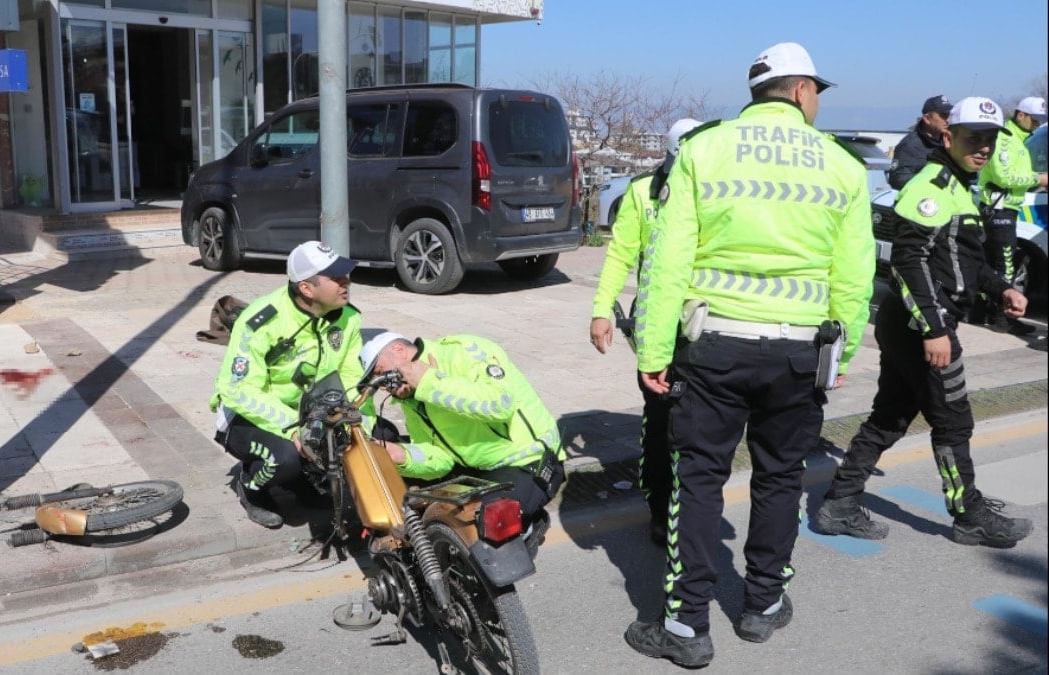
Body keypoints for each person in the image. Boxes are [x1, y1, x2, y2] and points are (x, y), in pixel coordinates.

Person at [623, 42, 875, 668]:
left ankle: (686, 628)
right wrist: (838, 356)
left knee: (699, 478)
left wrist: (654, 348)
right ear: (798, 91)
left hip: (713, 348)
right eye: (817, 90)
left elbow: (667, 263)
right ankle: (762, 606)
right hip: (798, 351)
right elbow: (854, 278)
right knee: (781, 476)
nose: (817, 101)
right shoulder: (842, 165)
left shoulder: (703, 150)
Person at [814, 97, 1034, 549]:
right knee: (953, 422)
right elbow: (908, 262)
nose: (984, 148)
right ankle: (967, 513)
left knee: (891, 417)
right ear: (948, 137)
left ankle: (839, 503)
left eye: (990, 139)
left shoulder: (960, 184)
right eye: (974, 138)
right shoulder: (930, 187)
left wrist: (1002, 289)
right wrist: (935, 329)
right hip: (921, 324)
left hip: (920, 321)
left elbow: (966, 263)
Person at [589, 117, 702, 545]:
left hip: (707, 322)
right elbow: (620, 254)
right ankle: (660, 506)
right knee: (660, 419)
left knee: (700, 421)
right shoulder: (643, 192)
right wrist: (602, 310)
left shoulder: (717, 188)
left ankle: (692, 503)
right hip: (656, 322)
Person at [210, 241, 370, 528]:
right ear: (307, 289)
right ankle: (251, 488)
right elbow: (237, 390)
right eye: (335, 278)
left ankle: (299, 483)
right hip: (249, 416)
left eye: (345, 274)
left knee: (371, 434)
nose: (346, 282)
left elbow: (350, 374)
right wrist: (294, 427)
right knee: (285, 459)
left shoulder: (348, 318)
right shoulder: (260, 322)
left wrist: (353, 416)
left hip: (309, 412)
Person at [357, 331, 566, 534]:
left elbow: (500, 405)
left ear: (399, 349)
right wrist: (403, 456)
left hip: (529, 459)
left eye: (380, 371)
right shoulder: (411, 397)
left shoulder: (464, 351)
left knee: (488, 524)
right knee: (419, 517)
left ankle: (530, 526)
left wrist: (429, 381)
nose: (383, 385)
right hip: (479, 469)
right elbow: (442, 458)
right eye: (377, 381)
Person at [974, 95, 1047, 334]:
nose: (1037, 125)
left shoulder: (1020, 139)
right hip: (999, 208)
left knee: (990, 261)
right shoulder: (1005, 139)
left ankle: (978, 311)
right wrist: (1039, 179)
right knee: (1005, 264)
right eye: (1035, 120)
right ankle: (1002, 318)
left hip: (1007, 208)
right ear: (1021, 115)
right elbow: (1003, 177)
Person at [888, 95, 953, 190]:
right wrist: (931, 181)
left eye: (949, 115)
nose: (947, 120)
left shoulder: (947, 142)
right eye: (943, 115)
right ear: (927, 118)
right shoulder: (910, 145)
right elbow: (897, 180)